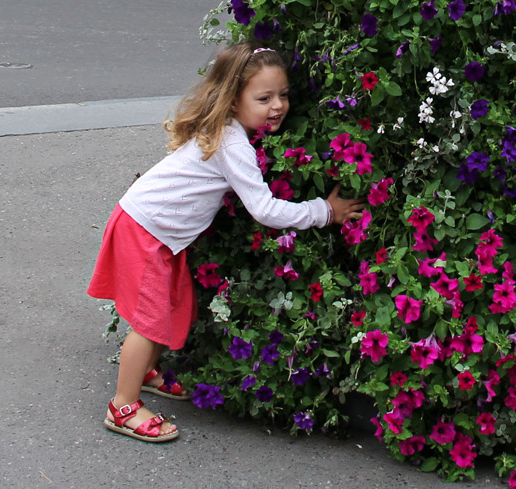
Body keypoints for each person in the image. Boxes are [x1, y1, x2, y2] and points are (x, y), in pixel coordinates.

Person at [88, 44, 357, 443]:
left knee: (175, 304)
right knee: (148, 320)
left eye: (283, 95)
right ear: (233, 101)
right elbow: (263, 209)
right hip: (145, 230)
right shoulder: (233, 144)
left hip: (157, 230)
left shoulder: (227, 131)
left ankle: (145, 373)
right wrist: (325, 211)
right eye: (263, 98)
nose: (277, 106)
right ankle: (122, 406)